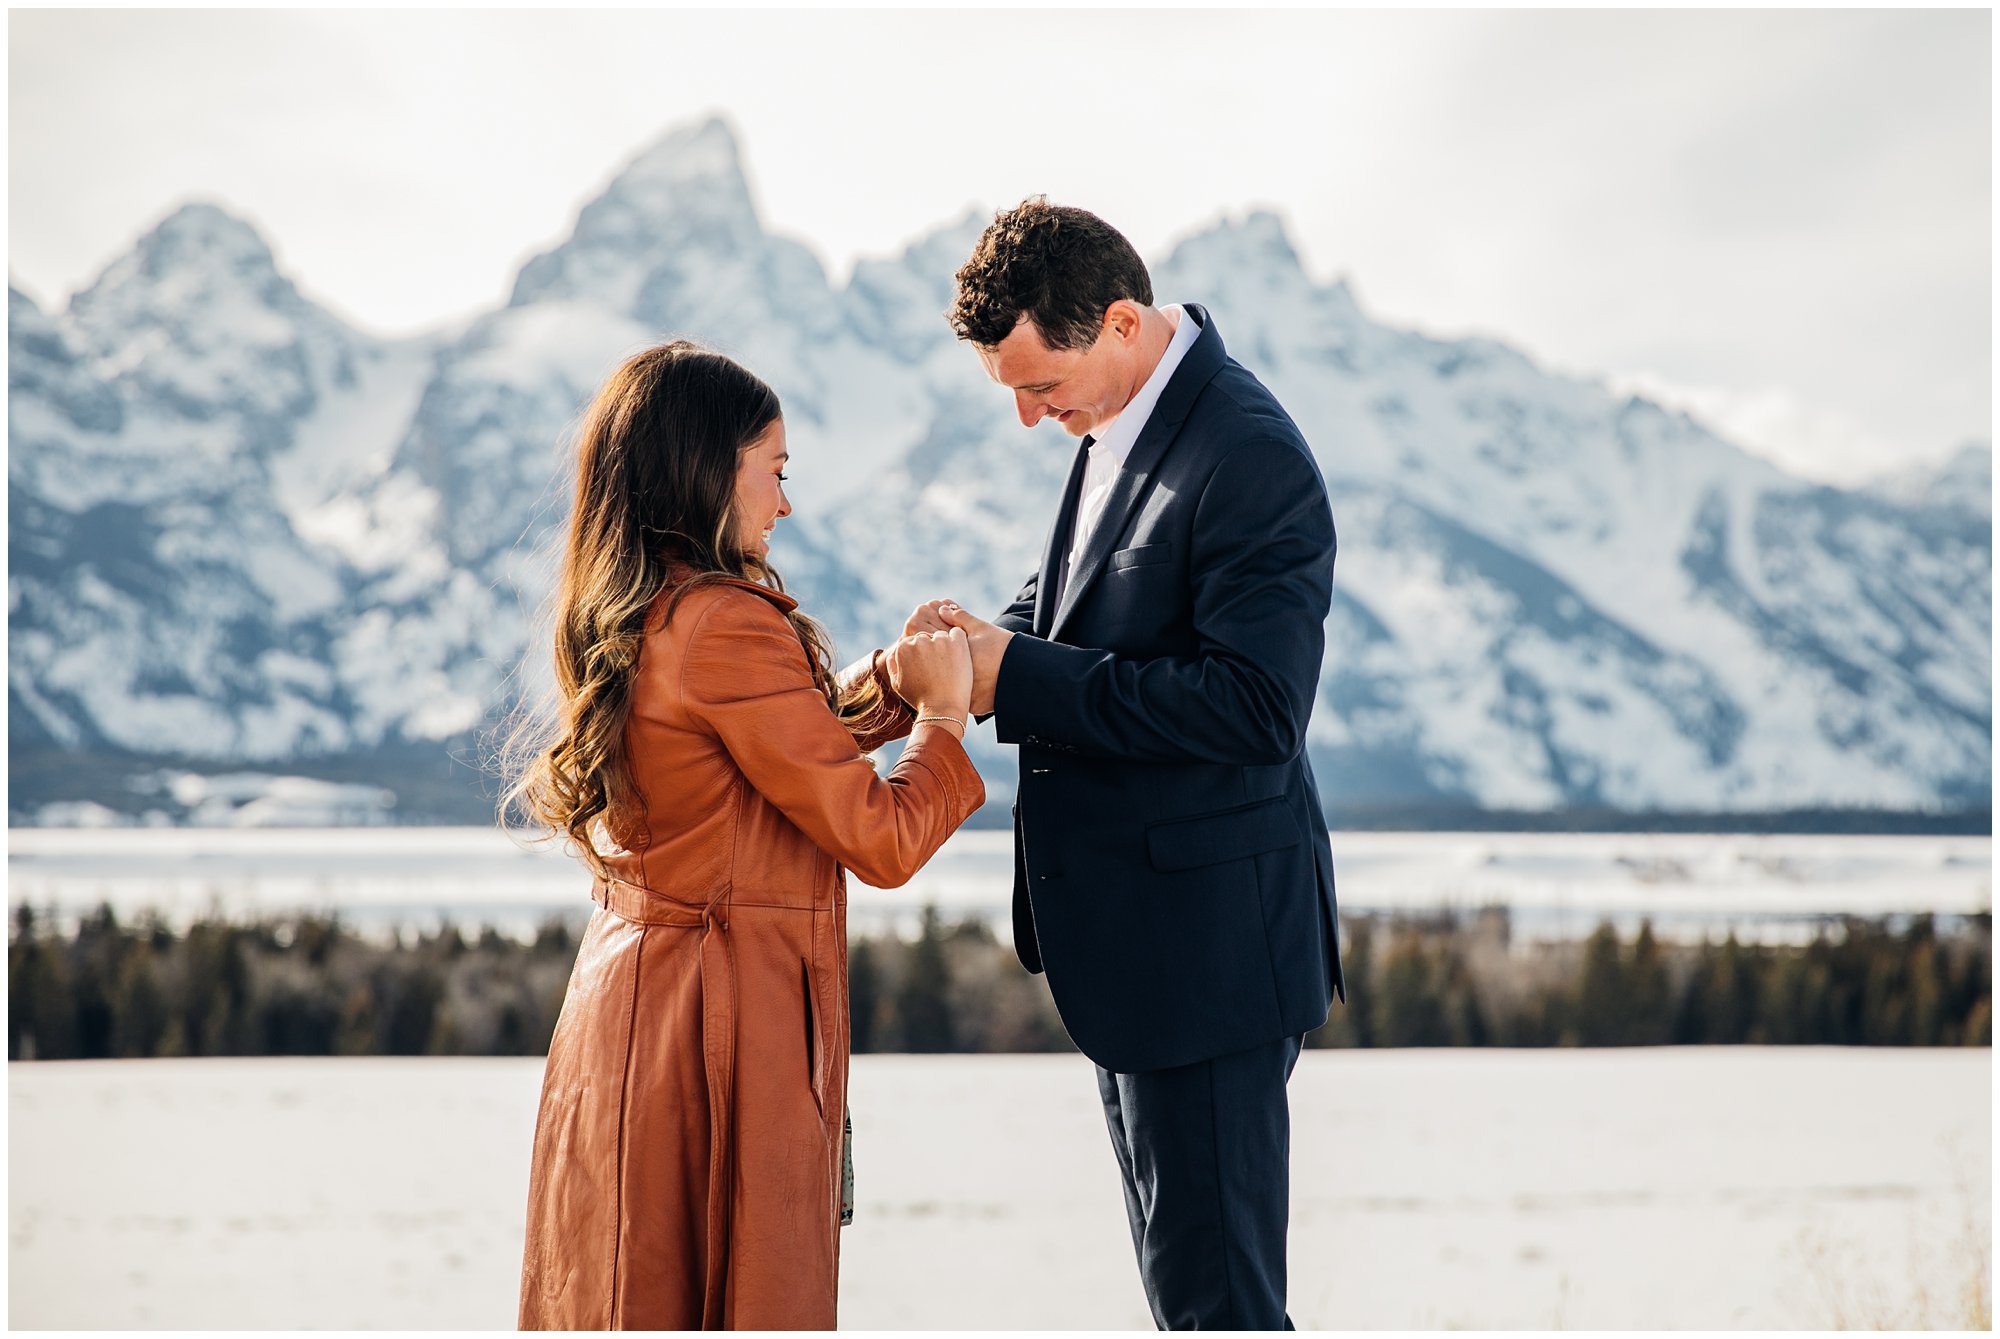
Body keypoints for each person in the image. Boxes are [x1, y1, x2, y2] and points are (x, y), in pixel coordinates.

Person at [509, 340, 983, 1330]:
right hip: (717, 1032)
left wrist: (890, 682)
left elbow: (757, 757)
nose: (784, 502)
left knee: (629, 1291)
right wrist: (940, 720)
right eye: (773, 469)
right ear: (705, 467)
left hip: (640, 1017)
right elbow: (879, 837)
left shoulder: (654, 610)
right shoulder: (724, 620)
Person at [931, 198, 1344, 1329]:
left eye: (1038, 385)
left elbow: (1256, 710)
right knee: (1188, 1305)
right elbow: (1084, 603)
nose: (1026, 417)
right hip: (1141, 950)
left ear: (1119, 321)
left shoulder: (1247, 454)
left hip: (1208, 954)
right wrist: (969, 646)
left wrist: (1008, 677)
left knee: (1219, 1312)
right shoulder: (1118, 417)